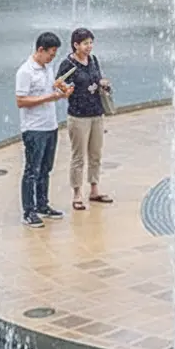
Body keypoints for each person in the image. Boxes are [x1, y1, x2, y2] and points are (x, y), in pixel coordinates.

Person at [15, 32, 73, 228]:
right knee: (32, 170)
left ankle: (42, 204)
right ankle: (28, 211)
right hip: (34, 128)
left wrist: (62, 90)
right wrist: (49, 98)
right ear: (40, 50)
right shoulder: (25, 72)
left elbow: (51, 87)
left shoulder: (48, 67)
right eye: (51, 54)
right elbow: (21, 101)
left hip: (50, 125)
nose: (52, 58)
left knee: (46, 169)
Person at [57, 28, 113, 212]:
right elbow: (58, 86)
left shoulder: (93, 60)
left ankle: (94, 189)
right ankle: (77, 193)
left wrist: (103, 85)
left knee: (95, 154)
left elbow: (97, 79)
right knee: (78, 156)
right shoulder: (67, 64)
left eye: (90, 43)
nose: (89, 47)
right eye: (85, 43)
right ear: (75, 45)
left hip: (96, 113)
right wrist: (65, 92)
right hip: (78, 115)